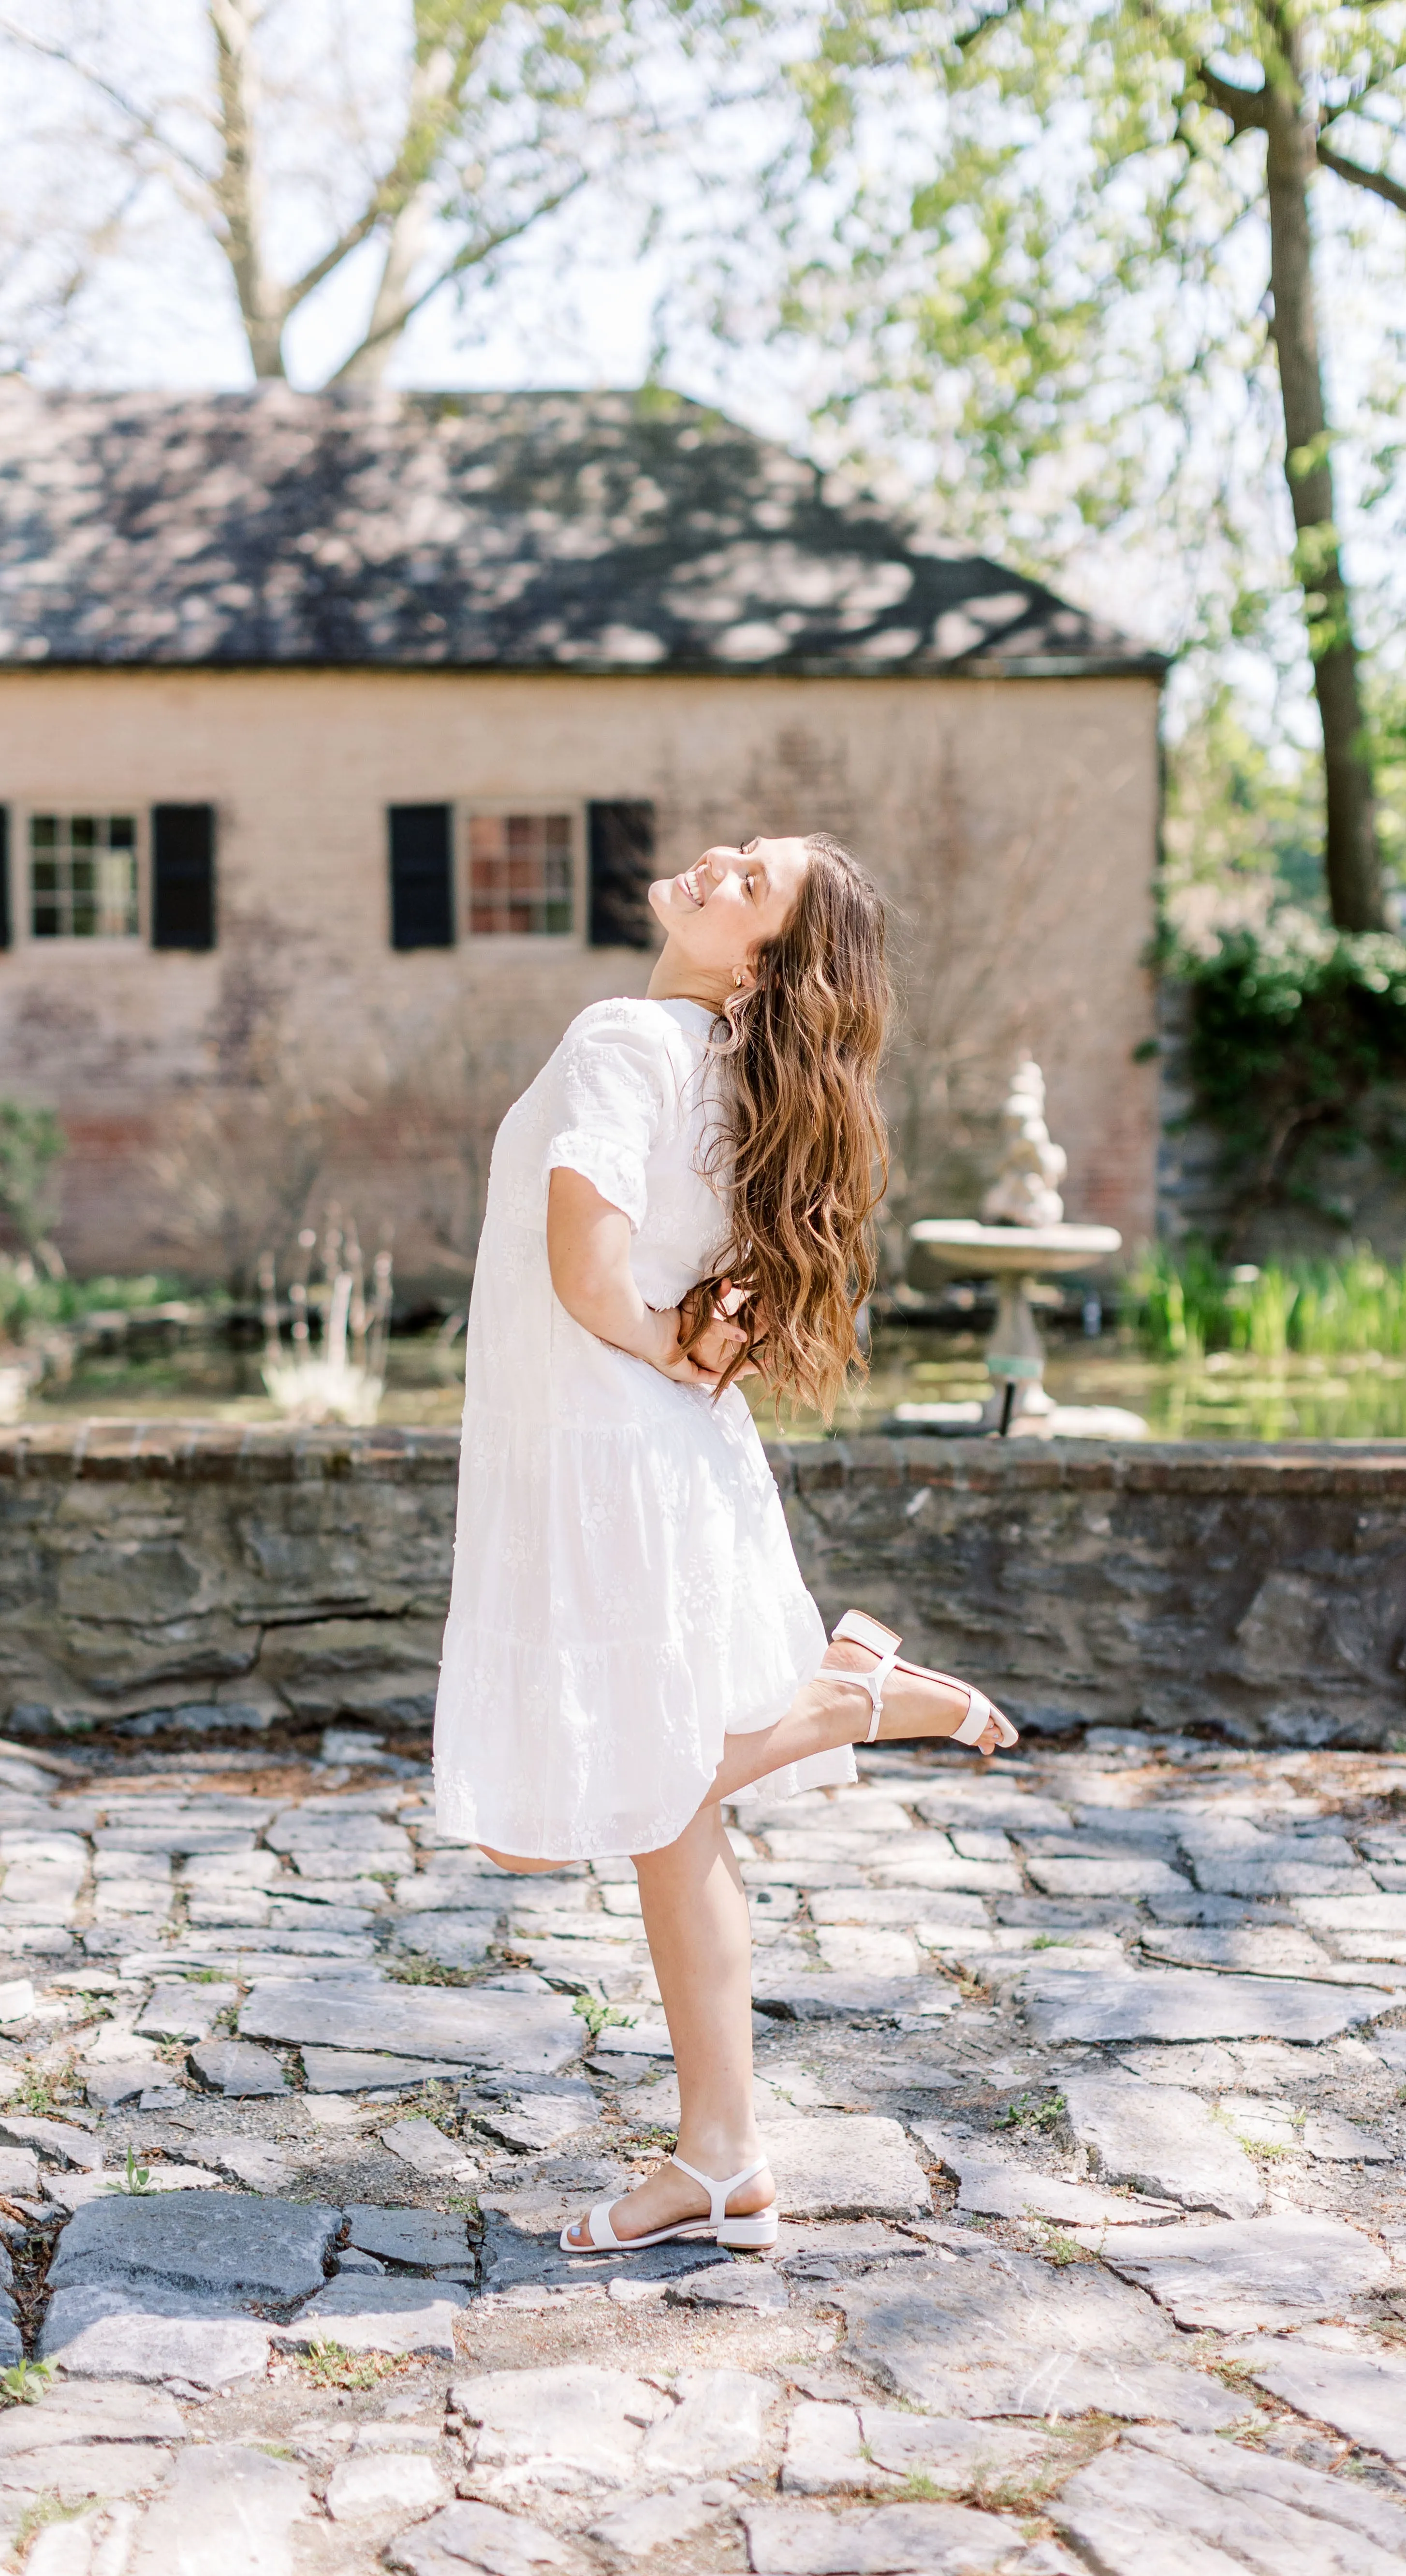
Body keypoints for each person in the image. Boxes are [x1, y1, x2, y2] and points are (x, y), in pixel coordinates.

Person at [432, 830, 1015, 2256]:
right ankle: (725, 2156)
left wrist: (661, 1346)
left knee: (549, 1814)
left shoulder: (627, 1036)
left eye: (749, 884)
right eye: (740, 852)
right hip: (640, 1452)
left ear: (759, 965)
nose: (716, 863)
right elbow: (713, 1288)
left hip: (606, 1458)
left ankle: (849, 1702)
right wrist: (695, 1350)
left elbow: (586, 1273)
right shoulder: (724, 1077)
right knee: (656, 1816)